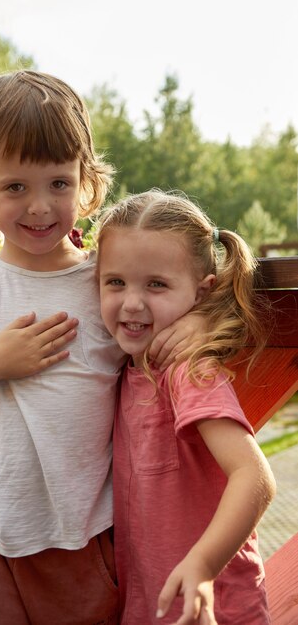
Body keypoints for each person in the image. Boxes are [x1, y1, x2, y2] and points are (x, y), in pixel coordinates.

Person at [0, 72, 203, 625]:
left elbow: (175, 296)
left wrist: (194, 328)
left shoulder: (108, 284)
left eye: (58, 184)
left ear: (86, 183)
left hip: (87, 541)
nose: (40, 207)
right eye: (15, 187)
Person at [97, 189, 276, 625]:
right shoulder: (126, 366)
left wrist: (203, 565)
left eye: (156, 284)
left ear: (202, 293)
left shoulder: (187, 373)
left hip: (214, 607)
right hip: (151, 607)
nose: (132, 302)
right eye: (115, 282)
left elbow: (255, 476)